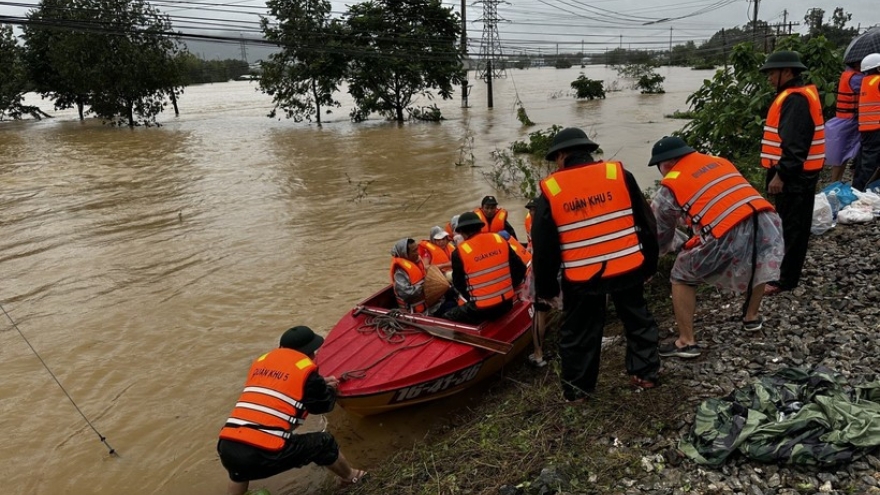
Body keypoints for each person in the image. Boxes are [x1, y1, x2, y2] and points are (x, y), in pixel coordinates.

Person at [531, 127, 661, 400]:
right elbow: (646, 222)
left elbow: (544, 247)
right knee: (637, 319)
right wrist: (650, 265)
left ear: (563, 156)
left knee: (579, 333)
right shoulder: (618, 175)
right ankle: (644, 375)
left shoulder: (552, 189)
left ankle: (578, 391)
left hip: (583, 275)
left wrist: (546, 289)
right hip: (627, 265)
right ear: (588, 152)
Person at [647, 136, 785, 359]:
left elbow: (661, 237)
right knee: (759, 261)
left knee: (681, 274)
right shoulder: (719, 161)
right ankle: (751, 317)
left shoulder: (670, 184)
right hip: (766, 219)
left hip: (729, 229)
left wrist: (654, 260)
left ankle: (686, 342)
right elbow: (715, 201)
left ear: (666, 164)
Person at [218, 326, 366, 495]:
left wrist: (319, 383)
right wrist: (330, 390)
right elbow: (322, 406)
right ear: (310, 352)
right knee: (323, 443)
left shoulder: (263, 363)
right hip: (260, 454)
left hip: (227, 446)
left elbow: (283, 389)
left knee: (239, 471)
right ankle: (351, 477)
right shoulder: (307, 371)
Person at [758, 50, 825, 296]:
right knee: (791, 225)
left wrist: (781, 175)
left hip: (794, 176)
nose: (768, 78)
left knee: (791, 228)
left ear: (787, 71)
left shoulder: (795, 99)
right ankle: (785, 274)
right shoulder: (798, 95)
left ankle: (784, 280)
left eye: (771, 73)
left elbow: (795, 145)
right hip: (799, 174)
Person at [444, 211, 527, 324]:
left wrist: (475, 299)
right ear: (480, 227)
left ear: (462, 232)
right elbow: (521, 268)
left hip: (482, 309)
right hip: (507, 303)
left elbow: (459, 284)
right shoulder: (499, 239)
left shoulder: (459, 252)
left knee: (448, 315)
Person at [825, 62, 863, 183]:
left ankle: (836, 182)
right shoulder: (857, 78)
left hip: (844, 118)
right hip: (849, 120)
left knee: (841, 155)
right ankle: (835, 183)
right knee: (841, 155)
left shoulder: (847, 74)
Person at [855, 53, 880, 191]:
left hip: (866, 128)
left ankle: (858, 187)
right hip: (876, 127)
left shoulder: (866, 81)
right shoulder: (878, 80)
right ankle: (862, 190)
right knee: (870, 164)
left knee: (864, 161)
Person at [390, 238, 428, 314]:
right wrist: (424, 286)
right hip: (414, 312)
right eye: (414, 251)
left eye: (417, 249)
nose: (417, 253)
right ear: (405, 254)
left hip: (427, 305)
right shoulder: (400, 272)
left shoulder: (417, 262)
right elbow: (406, 293)